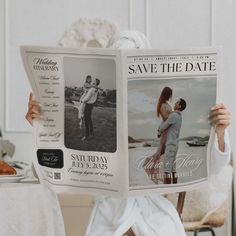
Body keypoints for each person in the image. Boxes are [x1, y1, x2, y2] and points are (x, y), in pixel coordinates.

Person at [25, 31, 231, 236]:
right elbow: (43, 173)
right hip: (109, 211)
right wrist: (41, 127)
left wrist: (220, 134)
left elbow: (216, 166)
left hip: (153, 211)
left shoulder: (167, 112)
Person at [143, 87, 173, 183]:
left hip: (169, 130)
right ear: (167, 94)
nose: (171, 96)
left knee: (163, 153)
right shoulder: (162, 105)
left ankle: (159, 174)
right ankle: (151, 170)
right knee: (161, 152)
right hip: (166, 131)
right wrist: (174, 115)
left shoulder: (167, 104)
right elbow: (165, 118)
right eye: (170, 94)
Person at [158, 98, 187, 184]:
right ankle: (174, 187)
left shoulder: (174, 115)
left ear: (179, 106)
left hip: (170, 145)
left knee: (167, 168)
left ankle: (166, 188)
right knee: (173, 168)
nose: (175, 103)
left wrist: (159, 130)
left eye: (177, 102)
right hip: (175, 145)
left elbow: (164, 126)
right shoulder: (179, 116)